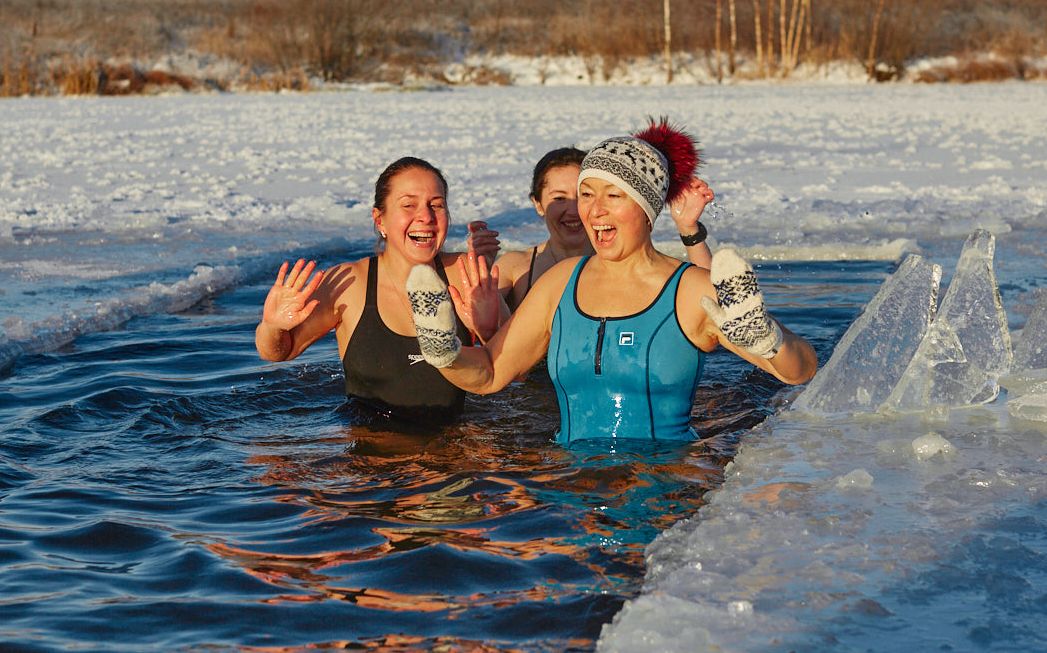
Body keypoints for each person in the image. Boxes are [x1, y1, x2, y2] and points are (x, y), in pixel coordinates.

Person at [404, 120, 818, 444]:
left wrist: (769, 340)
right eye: (587, 194)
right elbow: (491, 373)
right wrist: (447, 354)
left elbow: (801, 371)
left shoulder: (692, 289)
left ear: (646, 208)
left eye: (613, 196)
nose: (594, 211)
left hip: (664, 487)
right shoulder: (560, 283)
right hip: (573, 489)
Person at [254, 156, 505, 424]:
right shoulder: (349, 283)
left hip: (454, 449)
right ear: (380, 220)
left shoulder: (466, 274)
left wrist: (490, 332)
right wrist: (273, 326)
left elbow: (514, 366)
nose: (426, 217)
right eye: (409, 205)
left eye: (437, 205)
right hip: (373, 453)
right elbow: (278, 352)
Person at [494, 145, 716, 313]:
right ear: (538, 204)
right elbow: (482, 335)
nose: (573, 209)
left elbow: (712, 306)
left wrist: (688, 229)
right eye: (560, 198)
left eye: (584, 195)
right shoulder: (516, 268)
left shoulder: (627, 265)